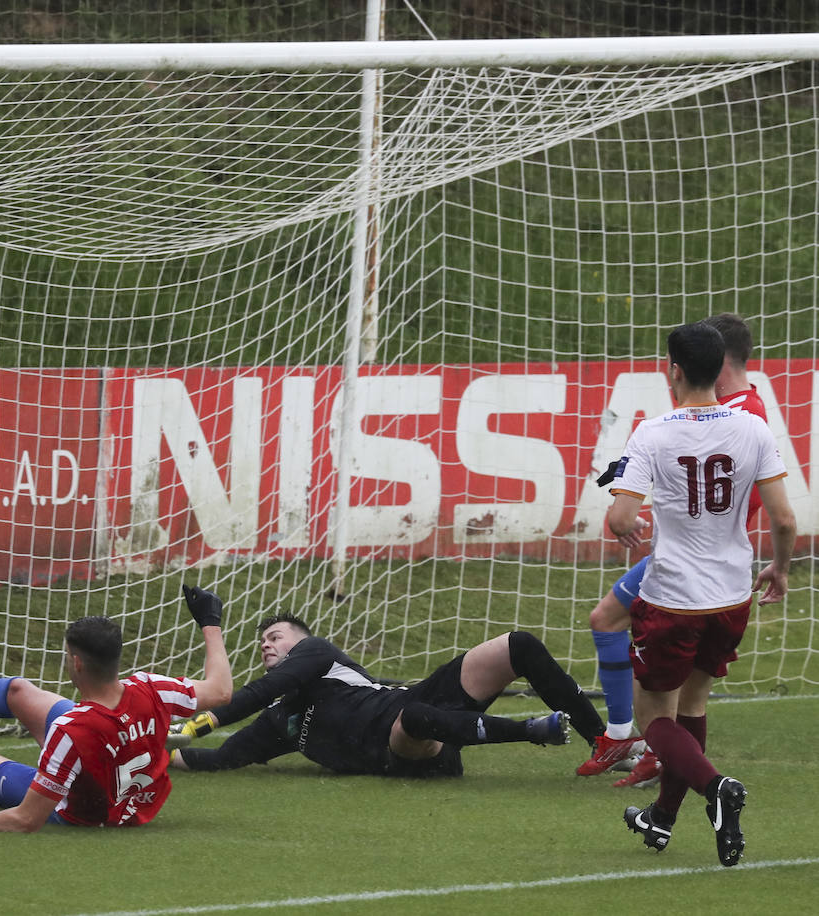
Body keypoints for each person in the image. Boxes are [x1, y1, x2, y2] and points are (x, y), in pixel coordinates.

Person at [606, 320, 794, 867]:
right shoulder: (753, 427)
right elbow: (783, 518)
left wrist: (626, 522)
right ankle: (661, 819)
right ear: (723, 368)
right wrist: (779, 571)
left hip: (672, 597)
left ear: (675, 370)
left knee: (654, 718)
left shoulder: (653, 432)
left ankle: (717, 789)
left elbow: (620, 517)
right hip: (732, 594)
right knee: (694, 704)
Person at [578, 313, 770, 787]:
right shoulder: (738, 412)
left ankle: (665, 760)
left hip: (694, 559)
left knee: (669, 686)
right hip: (702, 558)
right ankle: (647, 758)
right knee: (611, 625)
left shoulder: (744, 414)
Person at [0, 585, 232, 831]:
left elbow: (26, 820)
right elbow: (220, 690)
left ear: (76, 662)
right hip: (128, 792)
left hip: (79, 811)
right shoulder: (152, 688)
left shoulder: (72, 730)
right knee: (18, 690)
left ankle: (46, 779)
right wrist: (209, 620)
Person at [167, 612, 606, 779]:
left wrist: (194, 723)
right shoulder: (278, 722)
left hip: (418, 705)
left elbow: (256, 693)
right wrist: (153, 752)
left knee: (519, 645)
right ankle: (530, 730)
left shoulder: (317, 654)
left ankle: (604, 742)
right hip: (407, 743)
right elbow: (219, 758)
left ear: (302, 643)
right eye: (262, 640)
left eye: (276, 636)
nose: (266, 644)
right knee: (414, 716)